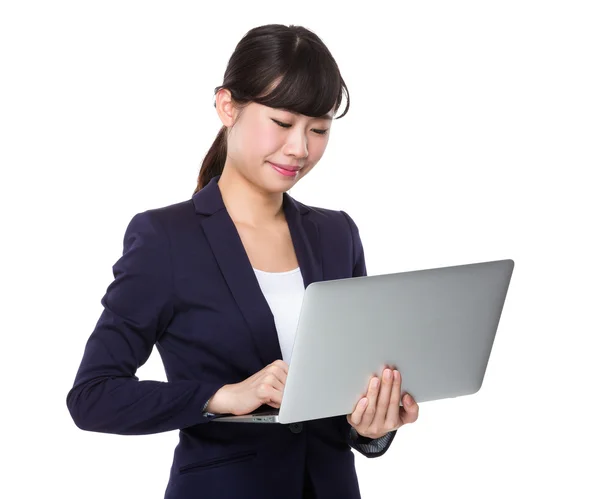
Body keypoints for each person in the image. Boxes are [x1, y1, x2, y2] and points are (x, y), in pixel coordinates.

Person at [66, 23, 419, 499]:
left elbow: (347, 406)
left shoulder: (337, 235)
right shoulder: (166, 239)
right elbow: (93, 397)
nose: (300, 148)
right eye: (282, 122)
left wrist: (373, 426)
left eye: (318, 130)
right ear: (227, 106)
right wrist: (221, 396)